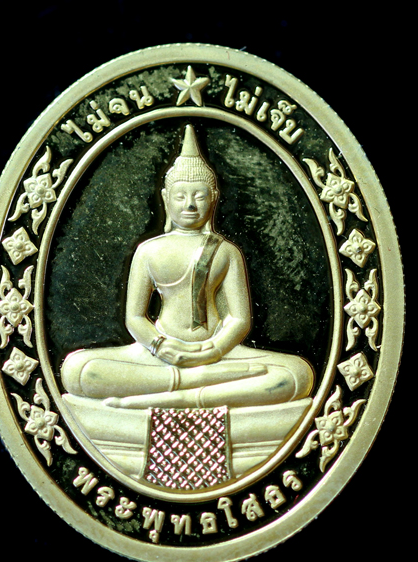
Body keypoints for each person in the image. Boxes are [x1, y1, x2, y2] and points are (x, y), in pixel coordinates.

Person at [61, 125, 314, 410]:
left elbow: (240, 319)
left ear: (213, 198)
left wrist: (212, 350)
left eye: (199, 196)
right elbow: (135, 317)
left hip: (218, 353)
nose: (190, 205)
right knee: (78, 370)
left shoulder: (226, 251)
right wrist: (159, 346)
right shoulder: (148, 251)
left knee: (298, 375)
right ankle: (197, 384)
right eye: (180, 196)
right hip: (159, 354)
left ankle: (182, 393)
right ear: (165, 198)